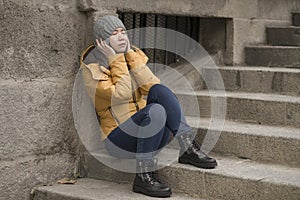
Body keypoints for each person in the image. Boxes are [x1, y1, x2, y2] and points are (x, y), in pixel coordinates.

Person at [80, 15, 217, 198]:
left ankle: (187, 146)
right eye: (114, 33)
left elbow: (151, 85)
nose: (121, 37)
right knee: (155, 110)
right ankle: (143, 176)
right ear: (102, 41)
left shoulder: (131, 56)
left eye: (123, 32)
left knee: (160, 91)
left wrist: (129, 55)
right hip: (118, 139)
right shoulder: (92, 68)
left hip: (147, 134)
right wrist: (117, 60)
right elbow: (122, 94)